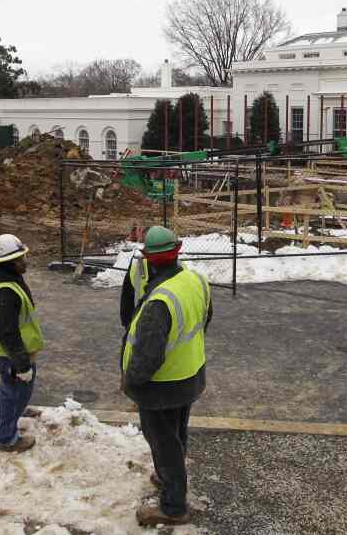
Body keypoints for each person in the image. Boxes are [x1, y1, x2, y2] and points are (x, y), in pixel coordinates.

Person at [122, 226, 212, 527]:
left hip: (161, 387)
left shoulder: (159, 301)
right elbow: (205, 319)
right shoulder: (194, 280)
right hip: (189, 374)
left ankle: (173, 507)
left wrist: (131, 383)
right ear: (177, 252)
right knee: (175, 434)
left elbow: (147, 356)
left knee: (164, 443)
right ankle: (168, 477)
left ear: (148, 259)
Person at [0, 233, 44, 452]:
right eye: (21, 258)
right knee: (13, 391)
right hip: (11, 354)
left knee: (17, 390)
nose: (25, 261)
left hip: (14, 352)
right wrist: (22, 364)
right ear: (9, 262)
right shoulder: (4, 293)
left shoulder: (5, 279)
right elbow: (7, 333)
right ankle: (7, 438)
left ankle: (19, 408)